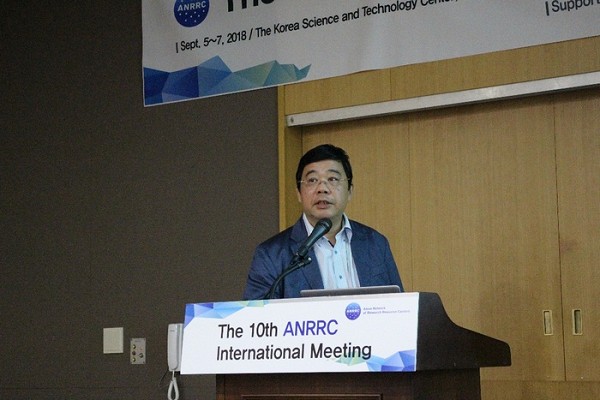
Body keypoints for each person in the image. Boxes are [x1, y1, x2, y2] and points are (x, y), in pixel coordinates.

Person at [243, 144, 404, 299]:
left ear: (350, 191)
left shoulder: (376, 243)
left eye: (333, 179)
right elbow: (256, 316)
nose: (322, 188)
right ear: (299, 193)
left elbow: (401, 308)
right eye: (312, 180)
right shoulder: (272, 255)